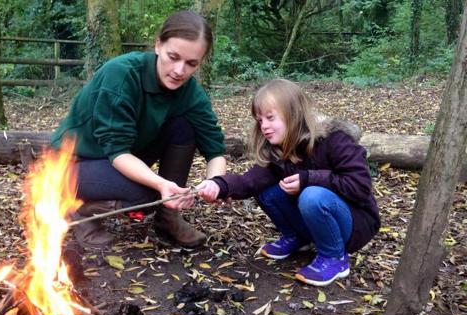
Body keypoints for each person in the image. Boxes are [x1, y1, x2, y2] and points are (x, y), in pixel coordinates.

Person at [51, 10, 227, 249]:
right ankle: (77, 209)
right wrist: (160, 184)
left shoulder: (190, 93)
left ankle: (168, 217)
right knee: (148, 195)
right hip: (71, 165)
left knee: (185, 126)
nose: (179, 70)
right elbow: (117, 151)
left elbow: (215, 148)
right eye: (173, 56)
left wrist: (216, 183)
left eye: (191, 63)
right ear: (157, 45)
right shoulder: (121, 75)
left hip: (115, 163)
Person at [196, 79, 380, 286]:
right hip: (318, 214)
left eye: (270, 118)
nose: (264, 126)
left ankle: (334, 257)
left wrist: (309, 179)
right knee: (265, 189)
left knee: (312, 195)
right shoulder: (279, 150)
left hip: (354, 223)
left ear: (293, 113)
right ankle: (297, 237)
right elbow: (249, 181)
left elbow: (360, 186)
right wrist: (219, 185)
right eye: (260, 121)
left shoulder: (334, 140)